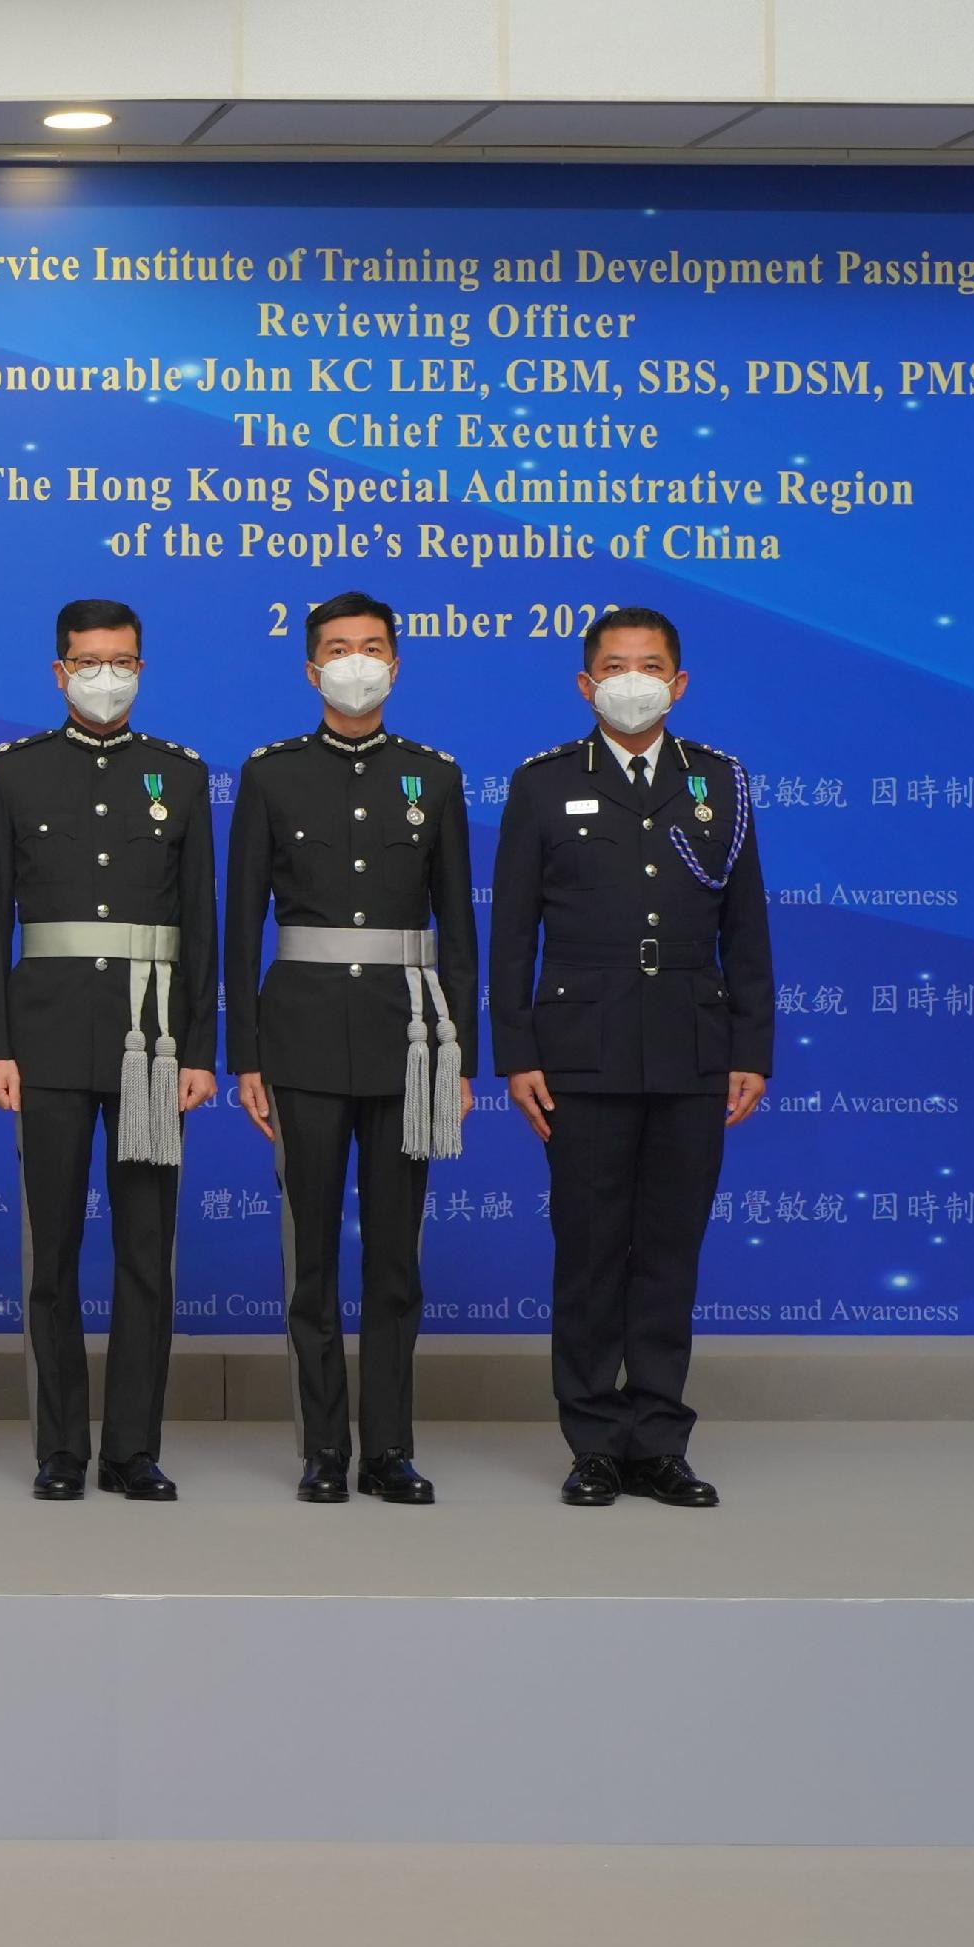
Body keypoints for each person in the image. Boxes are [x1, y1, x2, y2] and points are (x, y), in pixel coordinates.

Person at [493, 605, 771, 1509]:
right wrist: (516, 1052)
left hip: (692, 1046)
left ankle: (658, 1439)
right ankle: (593, 1442)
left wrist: (752, 1048)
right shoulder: (541, 784)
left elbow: (747, 929)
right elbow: (509, 938)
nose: (633, 678)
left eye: (651, 664)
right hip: (581, 1048)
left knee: (667, 1250)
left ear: (679, 683)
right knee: (588, 1249)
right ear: (586, 684)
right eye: (615, 664)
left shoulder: (719, 784)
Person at [225, 590, 473, 1507]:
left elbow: (459, 932)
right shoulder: (271, 773)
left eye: (372, 647)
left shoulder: (434, 775)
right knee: (314, 1257)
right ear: (310, 668)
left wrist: (462, 1057)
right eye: (338, 648)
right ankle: (325, 1446)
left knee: (397, 1258)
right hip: (302, 1036)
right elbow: (239, 917)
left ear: (397, 664)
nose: (355, 661)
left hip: (410, 1043)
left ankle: (391, 1449)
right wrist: (246, 1053)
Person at [0, 598, 216, 1504]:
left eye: (121, 661)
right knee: (57, 1255)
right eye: (87, 660)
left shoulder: (179, 775)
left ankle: (134, 1449)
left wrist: (197, 1048)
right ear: (58, 671)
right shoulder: (13, 772)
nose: (104, 676)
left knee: (147, 1252)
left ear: (141, 669)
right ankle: (62, 1447)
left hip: (151, 1046)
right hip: (47, 1040)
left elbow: (199, 922)